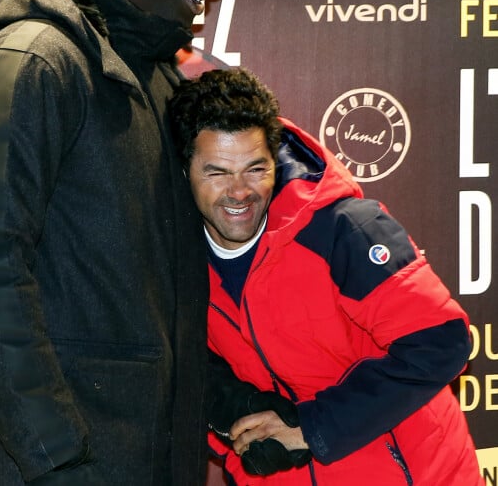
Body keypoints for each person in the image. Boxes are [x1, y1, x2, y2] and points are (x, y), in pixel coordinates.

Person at [0, 0, 228, 485]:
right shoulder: (28, 61)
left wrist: (234, 409)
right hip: (50, 467)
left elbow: (163, 301)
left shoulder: (160, 82)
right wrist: (56, 456)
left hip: (139, 459)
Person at [169, 68, 483, 485]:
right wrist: (238, 414)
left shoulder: (340, 230)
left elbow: (441, 343)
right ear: (185, 170)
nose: (240, 191)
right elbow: (191, 364)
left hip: (413, 474)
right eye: (217, 172)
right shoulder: (176, 255)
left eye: (255, 168)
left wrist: (311, 427)